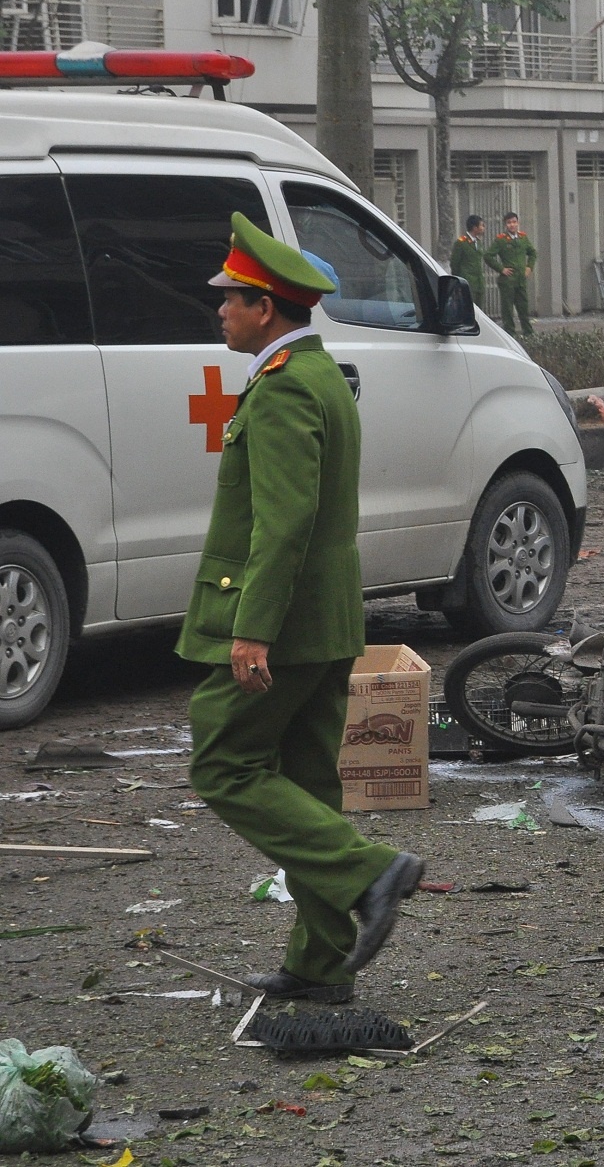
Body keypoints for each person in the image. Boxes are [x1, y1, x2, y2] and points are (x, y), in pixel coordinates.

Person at [183, 213, 422, 1004]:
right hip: (325, 619)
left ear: (266, 309)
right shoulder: (316, 373)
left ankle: (371, 871)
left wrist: (251, 629)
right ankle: (321, 969)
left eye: (231, 298)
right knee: (312, 783)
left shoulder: (285, 390)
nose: (219, 309)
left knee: (224, 762)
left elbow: (281, 521)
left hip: (282, 624)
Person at [490, 211, 537, 336]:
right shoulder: (501, 240)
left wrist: (529, 267)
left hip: (521, 279)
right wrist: (501, 269)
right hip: (508, 280)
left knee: (523, 307)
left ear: (518, 223)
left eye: (514, 222)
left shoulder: (522, 238)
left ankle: (528, 332)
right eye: (509, 223)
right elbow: (488, 256)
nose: (512, 225)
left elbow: (532, 253)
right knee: (508, 310)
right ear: (506, 225)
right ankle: (510, 333)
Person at [450, 215, 488, 311]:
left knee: (479, 311)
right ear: (475, 228)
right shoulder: (461, 242)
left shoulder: (478, 242)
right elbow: (454, 264)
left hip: (478, 281)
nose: (483, 228)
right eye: (482, 226)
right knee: (468, 310)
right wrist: (459, 281)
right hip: (467, 281)